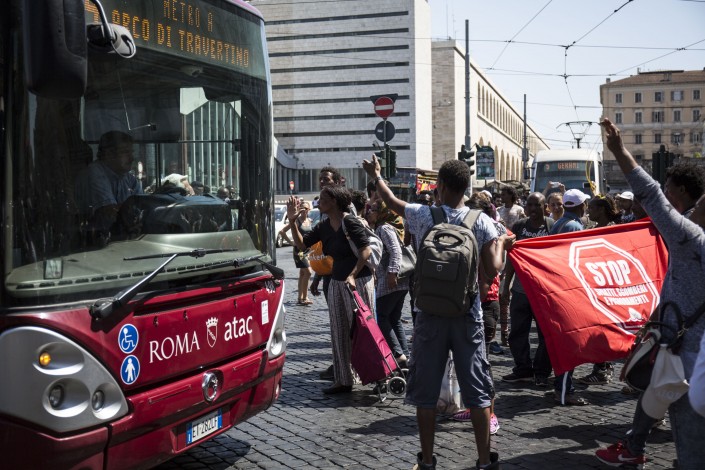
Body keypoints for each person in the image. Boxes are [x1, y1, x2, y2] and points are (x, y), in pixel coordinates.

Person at [363, 155, 514, 470]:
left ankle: (428, 460)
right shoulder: (482, 222)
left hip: (428, 313)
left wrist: (377, 175)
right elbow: (491, 270)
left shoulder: (422, 215)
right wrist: (500, 244)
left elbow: (391, 201)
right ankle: (485, 460)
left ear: (440, 186)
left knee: (426, 390)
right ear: (466, 188)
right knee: (476, 389)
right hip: (467, 315)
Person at [595, 118, 705, 469]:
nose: (693, 209)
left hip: (687, 362)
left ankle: (635, 445)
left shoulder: (691, 240)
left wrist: (619, 151)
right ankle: (633, 443)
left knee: (691, 451)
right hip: (684, 354)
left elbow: (650, 194)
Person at [287, 185, 375, 395]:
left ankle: (375, 375)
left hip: (358, 281)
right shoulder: (323, 226)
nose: (319, 202)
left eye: (323, 198)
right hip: (336, 282)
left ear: (334, 201)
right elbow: (302, 246)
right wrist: (292, 220)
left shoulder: (350, 221)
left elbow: (366, 251)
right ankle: (344, 380)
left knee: (363, 331)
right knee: (339, 331)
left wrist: (353, 275)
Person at [451, 193, 504, 436]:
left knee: (483, 366)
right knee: (471, 365)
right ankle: (475, 408)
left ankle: (490, 414)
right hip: (471, 306)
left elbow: (492, 271)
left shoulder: (491, 233)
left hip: (486, 305)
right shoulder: (471, 235)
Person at [501, 193, 554, 387]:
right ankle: (523, 369)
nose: (532, 208)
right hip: (521, 291)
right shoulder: (519, 227)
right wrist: (505, 286)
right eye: (529, 204)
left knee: (545, 335)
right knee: (518, 333)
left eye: (536, 205)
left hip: (544, 292)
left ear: (544, 206)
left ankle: (541, 371)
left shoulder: (551, 227)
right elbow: (512, 258)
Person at [575, 194, 621, 386]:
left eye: (592, 208)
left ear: (602, 210)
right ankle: (602, 366)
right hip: (593, 286)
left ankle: (602, 369)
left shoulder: (613, 231)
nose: (588, 211)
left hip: (607, 286)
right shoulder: (592, 229)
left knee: (604, 329)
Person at [365, 200, 410, 370]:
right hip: (396, 281)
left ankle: (398, 354)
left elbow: (396, 251)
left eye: (374, 209)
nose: (370, 212)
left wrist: (392, 273)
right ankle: (404, 356)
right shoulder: (383, 227)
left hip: (392, 280)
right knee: (393, 318)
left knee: (382, 317)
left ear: (382, 212)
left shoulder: (384, 228)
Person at [75, 130, 143, 239]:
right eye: (125, 152)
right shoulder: (94, 173)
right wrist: (128, 210)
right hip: (93, 245)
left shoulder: (129, 179)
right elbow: (109, 214)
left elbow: (142, 210)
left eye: (131, 152)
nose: (131, 158)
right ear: (109, 154)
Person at [278, 200, 314, 305]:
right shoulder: (296, 221)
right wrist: (291, 243)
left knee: (302, 273)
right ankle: (305, 297)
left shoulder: (310, 221)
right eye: (301, 208)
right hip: (299, 251)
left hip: (308, 250)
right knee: (308, 272)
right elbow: (282, 231)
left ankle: (301, 298)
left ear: (309, 210)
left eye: (306, 209)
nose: (303, 211)